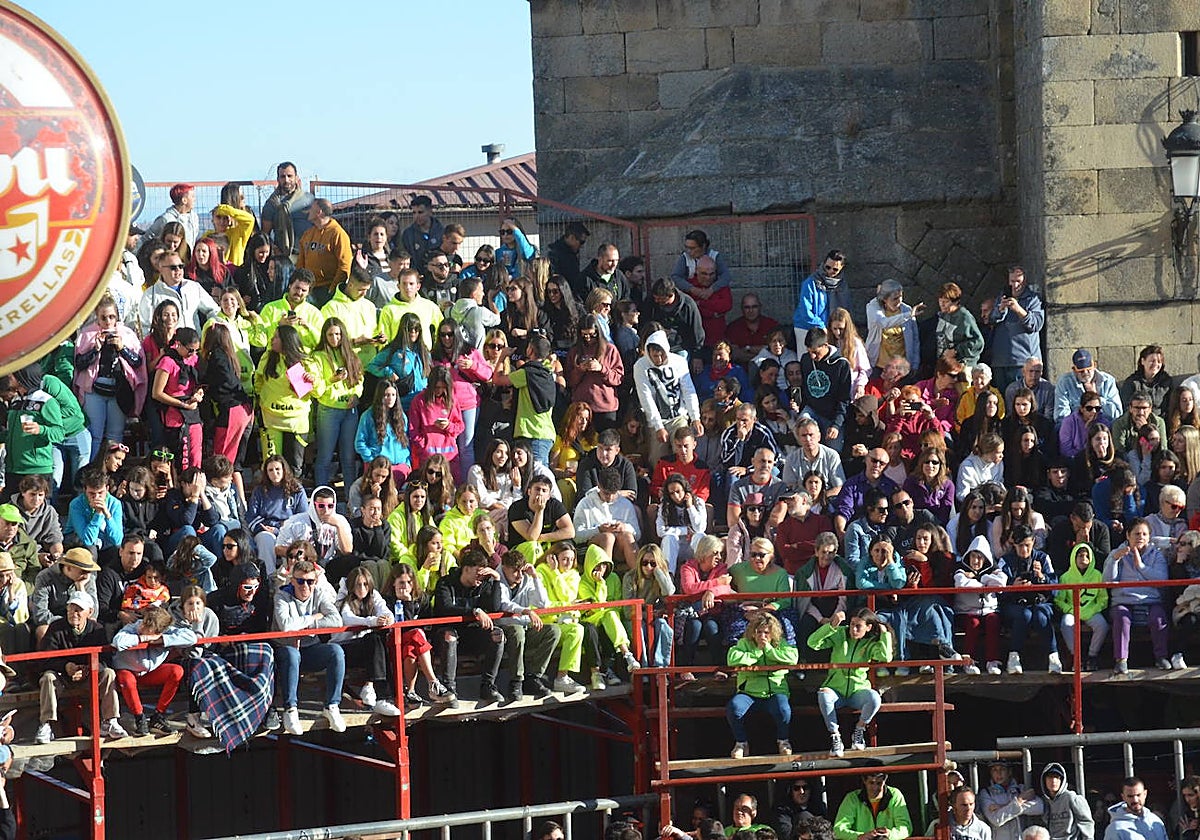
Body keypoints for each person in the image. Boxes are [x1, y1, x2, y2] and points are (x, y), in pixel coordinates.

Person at [35, 590, 128, 744]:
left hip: (89, 675)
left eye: (79, 610)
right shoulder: (56, 627)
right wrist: (66, 666)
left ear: (89, 612)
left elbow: (106, 659)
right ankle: (46, 723)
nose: (74, 613)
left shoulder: (97, 629)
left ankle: (110, 720)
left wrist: (87, 669)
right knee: (48, 677)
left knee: (109, 673)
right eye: (71, 608)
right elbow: (45, 659)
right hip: (62, 676)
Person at [272, 558, 346, 735]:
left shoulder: (319, 594)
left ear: (315, 582)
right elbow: (286, 625)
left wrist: (306, 627)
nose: (305, 585)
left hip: (310, 650)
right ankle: (290, 709)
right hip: (286, 650)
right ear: (292, 581)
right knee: (291, 654)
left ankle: (332, 705)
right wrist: (313, 618)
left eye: (310, 581)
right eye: (300, 581)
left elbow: (336, 620)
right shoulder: (282, 595)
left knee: (336, 651)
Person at [809, 608, 891, 757]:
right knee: (823, 695)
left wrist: (885, 634)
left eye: (858, 626)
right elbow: (812, 643)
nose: (853, 629)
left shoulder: (871, 642)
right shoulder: (840, 633)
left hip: (857, 691)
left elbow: (886, 657)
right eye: (852, 624)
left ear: (869, 627)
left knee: (874, 698)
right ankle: (835, 736)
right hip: (836, 689)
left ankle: (859, 730)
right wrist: (832, 626)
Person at [432, 547, 506, 704]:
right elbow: (445, 608)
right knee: (449, 636)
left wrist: (497, 579)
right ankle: (449, 689)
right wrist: (474, 611)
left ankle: (488, 686)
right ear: (466, 569)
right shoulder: (445, 583)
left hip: (472, 635)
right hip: (448, 633)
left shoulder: (483, 584)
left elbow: (495, 607)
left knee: (498, 634)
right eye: (477, 572)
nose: (481, 576)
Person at [112, 604, 197, 736]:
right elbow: (118, 642)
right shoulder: (134, 627)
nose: (142, 627)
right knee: (126, 678)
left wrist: (162, 640)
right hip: (127, 672)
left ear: (158, 631)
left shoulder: (167, 632)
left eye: (147, 628)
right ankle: (139, 718)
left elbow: (191, 638)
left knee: (177, 671)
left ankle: (158, 716)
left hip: (149, 673)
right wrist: (143, 638)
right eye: (144, 623)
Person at [725, 611, 798, 759]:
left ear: (773, 633)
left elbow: (792, 658)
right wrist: (757, 652)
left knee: (784, 710)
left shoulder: (780, 643)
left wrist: (769, 651)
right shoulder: (744, 643)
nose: (762, 636)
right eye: (759, 632)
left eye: (766, 632)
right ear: (753, 632)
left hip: (775, 691)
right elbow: (732, 658)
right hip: (749, 692)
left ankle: (783, 741)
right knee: (734, 707)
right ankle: (741, 743)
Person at [1103, 518, 1171, 673]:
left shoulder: (1157, 555)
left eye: (1144, 534)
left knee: (1159, 618)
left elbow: (1161, 579)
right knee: (1122, 617)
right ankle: (1121, 660)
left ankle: (1161, 657)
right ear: (1128, 535)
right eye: (1136, 534)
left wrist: (1141, 566)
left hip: (1150, 599)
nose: (1140, 537)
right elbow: (1107, 581)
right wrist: (1114, 560)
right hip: (1124, 600)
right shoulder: (1116, 553)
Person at [496, 549, 560, 701]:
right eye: (515, 571)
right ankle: (516, 681)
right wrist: (526, 611)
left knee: (553, 631)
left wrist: (535, 576)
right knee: (517, 632)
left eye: (521, 571)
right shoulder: (497, 578)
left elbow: (542, 603)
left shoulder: (526, 578)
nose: (519, 575)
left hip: (524, 626)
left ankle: (533, 677)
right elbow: (503, 604)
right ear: (504, 567)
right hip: (505, 627)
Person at [634, 330, 704, 466]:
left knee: (683, 452)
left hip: (678, 415)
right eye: (654, 356)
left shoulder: (679, 362)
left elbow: (688, 390)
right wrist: (658, 426)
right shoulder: (640, 366)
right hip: (656, 419)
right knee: (657, 459)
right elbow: (646, 397)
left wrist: (695, 417)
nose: (658, 360)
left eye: (661, 355)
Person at [998, 524, 1060, 675]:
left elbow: (1056, 589)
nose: (1024, 550)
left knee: (1040, 615)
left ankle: (1054, 657)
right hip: (1014, 604)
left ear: (1033, 541)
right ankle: (1013, 657)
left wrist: (1042, 578)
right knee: (1024, 615)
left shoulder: (1043, 558)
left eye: (1027, 545)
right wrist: (1012, 585)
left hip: (1040, 602)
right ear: (1014, 544)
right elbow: (998, 591)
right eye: (1020, 546)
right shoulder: (1005, 561)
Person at [981, 266, 1045, 393]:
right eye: (1012, 281)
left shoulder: (1033, 299)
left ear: (1025, 282)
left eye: (1018, 281)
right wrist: (1001, 309)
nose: (1015, 285)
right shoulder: (1002, 296)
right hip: (1000, 361)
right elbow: (991, 320)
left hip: (1022, 362)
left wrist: (1018, 310)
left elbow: (1036, 325)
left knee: (1022, 399)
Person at [1055, 543, 1109, 672]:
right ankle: (1076, 656)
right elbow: (1059, 600)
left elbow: (1103, 598)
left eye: (1086, 556)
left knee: (1102, 625)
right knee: (1066, 623)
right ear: (1074, 557)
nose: (1083, 559)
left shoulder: (1097, 575)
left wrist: (1093, 609)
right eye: (1080, 555)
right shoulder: (1066, 577)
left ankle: (1092, 656)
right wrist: (1070, 609)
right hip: (1073, 611)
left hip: (1091, 611)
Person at [261, 161, 315, 288]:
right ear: (278, 179)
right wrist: (275, 250)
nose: (286, 180)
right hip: (285, 258)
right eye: (282, 176)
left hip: (309, 255)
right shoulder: (272, 204)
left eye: (290, 176)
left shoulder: (308, 200)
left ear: (296, 178)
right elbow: (265, 235)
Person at [295, 198, 352, 306]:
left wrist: (333, 290)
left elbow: (344, 266)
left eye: (311, 208)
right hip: (307, 289)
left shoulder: (338, 234)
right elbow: (300, 263)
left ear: (319, 212)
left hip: (326, 289)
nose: (308, 211)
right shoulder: (308, 234)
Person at [832, 770, 913, 840]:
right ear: (864, 780)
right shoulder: (852, 798)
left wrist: (890, 834)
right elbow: (838, 830)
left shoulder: (895, 795)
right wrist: (860, 836)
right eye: (871, 783)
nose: (875, 788)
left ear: (885, 779)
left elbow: (906, 828)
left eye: (879, 783)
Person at [794, 250, 849, 351]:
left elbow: (844, 309)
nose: (830, 271)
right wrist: (821, 326)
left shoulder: (842, 285)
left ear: (841, 269)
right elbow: (805, 311)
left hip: (831, 328)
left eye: (835, 269)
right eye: (827, 267)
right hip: (807, 327)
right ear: (823, 264)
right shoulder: (810, 283)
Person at [865, 279, 922, 373]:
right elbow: (884, 323)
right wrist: (908, 315)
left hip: (901, 367)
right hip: (879, 366)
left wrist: (915, 364)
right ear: (885, 299)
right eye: (895, 298)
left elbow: (915, 339)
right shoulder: (873, 309)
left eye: (900, 297)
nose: (899, 301)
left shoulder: (907, 309)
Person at [1053, 350, 1123, 426]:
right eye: (1081, 371)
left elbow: (1117, 413)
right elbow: (1061, 415)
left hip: (1105, 426)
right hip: (1076, 426)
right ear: (1074, 370)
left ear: (1094, 365)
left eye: (1089, 369)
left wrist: (1097, 399)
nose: (1086, 373)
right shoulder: (1064, 382)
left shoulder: (1108, 381)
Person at [1029, 763, 1094, 840]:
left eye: (1057, 777)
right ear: (1044, 780)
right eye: (1050, 777)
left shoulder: (1072, 797)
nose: (1053, 781)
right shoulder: (1044, 801)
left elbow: (1086, 822)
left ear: (1062, 780)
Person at [978, 761, 1042, 840]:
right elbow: (996, 820)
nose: (998, 773)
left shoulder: (1021, 789)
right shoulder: (986, 793)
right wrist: (1019, 800)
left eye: (1002, 769)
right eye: (994, 770)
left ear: (1009, 772)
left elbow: (1040, 807)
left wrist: (1002, 807)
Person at [934, 281, 984, 370]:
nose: (942, 304)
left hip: (962, 366)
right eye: (940, 301)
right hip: (945, 365)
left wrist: (956, 351)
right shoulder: (943, 315)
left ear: (956, 302)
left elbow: (978, 342)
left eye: (946, 301)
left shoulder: (964, 317)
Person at [727, 294, 780, 366]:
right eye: (747, 307)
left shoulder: (771, 325)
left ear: (760, 307)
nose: (751, 311)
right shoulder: (733, 328)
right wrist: (764, 352)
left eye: (754, 307)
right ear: (742, 309)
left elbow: (776, 351)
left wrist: (747, 349)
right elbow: (736, 355)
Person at [146, 182, 200, 249]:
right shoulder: (165, 219)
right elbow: (147, 238)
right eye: (192, 196)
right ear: (184, 200)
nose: (195, 199)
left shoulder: (194, 218)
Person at [547, 221, 589, 298]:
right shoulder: (556, 254)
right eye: (581, 242)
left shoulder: (570, 253)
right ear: (572, 237)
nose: (581, 246)